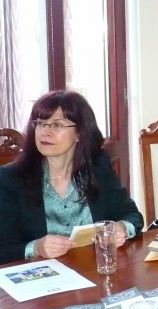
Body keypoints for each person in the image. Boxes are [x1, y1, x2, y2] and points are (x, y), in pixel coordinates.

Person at [0, 90, 143, 264]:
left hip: (93, 269)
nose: (45, 132)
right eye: (41, 123)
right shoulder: (10, 178)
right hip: (41, 274)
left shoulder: (98, 167)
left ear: (79, 134)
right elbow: (4, 248)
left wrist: (122, 228)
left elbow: (132, 215)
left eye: (57, 125)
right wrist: (35, 248)